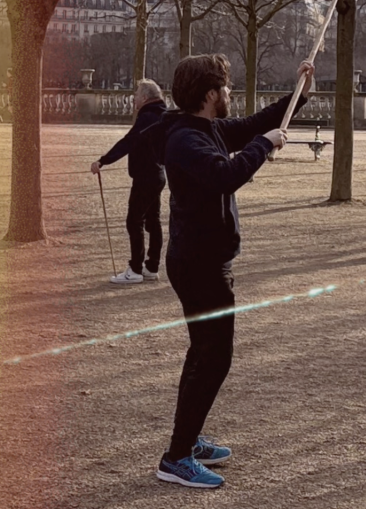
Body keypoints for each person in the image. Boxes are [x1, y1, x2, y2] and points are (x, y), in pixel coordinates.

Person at [150, 53, 314, 489]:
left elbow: (258, 121)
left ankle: (188, 441)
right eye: (225, 88)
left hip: (207, 261)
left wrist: (300, 94)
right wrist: (267, 144)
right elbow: (226, 174)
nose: (230, 94)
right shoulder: (185, 139)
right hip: (198, 266)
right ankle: (176, 457)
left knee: (204, 355)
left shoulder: (209, 128)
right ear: (209, 95)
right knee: (213, 359)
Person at [91, 80, 168, 285]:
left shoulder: (148, 117)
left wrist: (103, 160)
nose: (133, 97)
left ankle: (135, 269)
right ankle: (151, 267)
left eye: (136, 94)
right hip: (157, 174)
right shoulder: (161, 114)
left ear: (144, 98)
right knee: (153, 221)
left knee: (134, 220)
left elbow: (128, 142)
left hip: (146, 176)